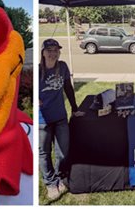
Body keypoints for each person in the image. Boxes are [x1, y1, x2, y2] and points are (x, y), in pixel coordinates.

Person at [39, 38, 84, 200]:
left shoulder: (62, 66)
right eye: (49, 50)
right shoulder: (38, 70)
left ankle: (59, 176)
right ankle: (50, 183)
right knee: (44, 153)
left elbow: (68, 88)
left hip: (60, 117)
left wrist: (75, 108)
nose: (52, 53)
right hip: (42, 120)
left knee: (63, 152)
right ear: (43, 52)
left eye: (55, 50)